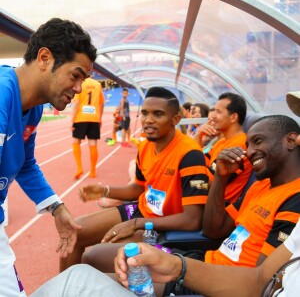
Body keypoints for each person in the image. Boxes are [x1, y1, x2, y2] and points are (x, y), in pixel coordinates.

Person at [28, 93, 300, 297]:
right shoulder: (261, 184)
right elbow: (215, 229)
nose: (249, 151)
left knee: (84, 278)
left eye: (257, 142)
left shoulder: (190, 154)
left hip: (196, 259)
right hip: (190, 248)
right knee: (84, 251)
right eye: (144, 112)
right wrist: (221, 175)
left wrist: (175, 263)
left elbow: (260, 281)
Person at [59, 87, 209, 272]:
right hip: (142, 211)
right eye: (145, 113)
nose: (148, 120)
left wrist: (136, 224)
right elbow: (137, 188)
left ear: (175, 119)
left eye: (158, 114)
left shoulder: (190, 154)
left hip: (162, 225)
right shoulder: (146, 145)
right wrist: (105, 190)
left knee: (93, 256)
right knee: (75, 230)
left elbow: (192, 219)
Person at [0, 18, 97, 296]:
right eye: (75, 75)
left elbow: (26, 165)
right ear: (44, 58)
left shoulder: (33, 108)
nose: (79, 89)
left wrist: (56, 207)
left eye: (84, 80)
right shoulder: (1, 94)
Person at [205, 92, 253, 204]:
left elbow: (207, 185)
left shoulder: (240, 146)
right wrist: (199, 136)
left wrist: (189, 181)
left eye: (218, 112)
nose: (212, 116)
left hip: (217, 208)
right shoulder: (221, 142)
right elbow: (198, 166)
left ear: (233, 117)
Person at [71, 76, 105, 179]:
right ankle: (93, 171)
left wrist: (72, 120)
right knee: (93, 143)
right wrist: (100, 118)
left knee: (76, 142)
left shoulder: (79, 83)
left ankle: (79, 168)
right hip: (94, 117)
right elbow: (101, 103)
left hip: (80, 117)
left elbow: (76, 103)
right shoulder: (97, 84)